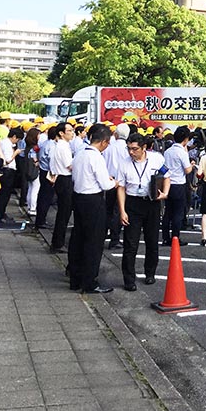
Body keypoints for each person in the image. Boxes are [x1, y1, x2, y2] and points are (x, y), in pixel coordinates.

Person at [117, 132, 169, 291]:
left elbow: (167, 176)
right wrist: (122, 211)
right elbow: (121, 187)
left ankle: (150, 273)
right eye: (129, 149)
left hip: (151, 202)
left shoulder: (156, 159)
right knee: (130, 243)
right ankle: (129, 279)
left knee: (152, 240)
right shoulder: (124, 163)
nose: (131, 152)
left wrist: (165, 193)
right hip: (132, 203)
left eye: (134, 149)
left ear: (144, 147)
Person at [68, 123, 116, 294]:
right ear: (103, 141)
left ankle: (75, 278)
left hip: (79, 196)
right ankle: (90, 281)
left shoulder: (80, 153)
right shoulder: (96, 157)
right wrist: (114, 182)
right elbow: (105, 184)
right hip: (93, 200)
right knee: (94, 242)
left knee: (78, 239)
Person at [163, 126, 193, 244]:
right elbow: (187, 170)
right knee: (178, 213)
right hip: (179, 185)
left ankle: (166, 238)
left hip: (167, 184)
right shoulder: (181, 152)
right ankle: (175, 237)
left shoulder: (168, 151)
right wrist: (191, 165)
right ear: (185, 139)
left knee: (168, 212)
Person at [103, 123, 131, 249]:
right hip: (122, 182)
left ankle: (105, 234)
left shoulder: (108, 147)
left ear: (116, 134)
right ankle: (115, 239)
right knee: (118, 210)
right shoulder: (127, 149)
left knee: (108, 210)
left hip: (109, 180)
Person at [49, 122, 75, 253]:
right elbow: (69, 165)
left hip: (61, 178)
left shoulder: (62, 145)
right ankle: (58, 243)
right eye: (69, 130)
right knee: (64, 213)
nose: (72, 133)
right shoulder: (63, 146)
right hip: (64, 179)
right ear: (61, 133)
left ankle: (58, 241)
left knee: (63, 213)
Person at [0, 127, 23, 226]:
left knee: (4, 195)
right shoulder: (7, 144)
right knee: (4, 194)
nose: (17, 141)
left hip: (6, 171)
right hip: (7, 171)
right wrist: (15, 153)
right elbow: (7, 160)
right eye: (18, 139)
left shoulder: (4, 142)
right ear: (14, 137)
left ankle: (1, 213)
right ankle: (0, 214)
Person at [34, 125, 58, 230]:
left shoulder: (44, 143)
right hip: (48, 172)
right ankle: (41, 220)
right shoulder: (52, 146)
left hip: (43, 170)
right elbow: (52, 160)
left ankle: (40, 219)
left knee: (43, 196)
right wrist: (53, 175)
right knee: (46, 198)